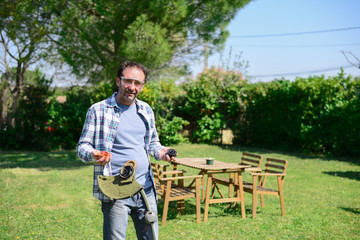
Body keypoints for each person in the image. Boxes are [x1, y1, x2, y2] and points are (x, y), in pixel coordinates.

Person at [76, 61, 176, 240]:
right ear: (118, 81)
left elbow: (153, 143)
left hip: (145, 187)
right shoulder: (98, 110)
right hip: (116, 189)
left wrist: (162, 152)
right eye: (128, 81)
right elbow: (82, 147)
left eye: (138, 83)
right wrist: (94, 154)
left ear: (142, 86)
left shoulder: (145, 110)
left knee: (150, 238)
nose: (132, 87)